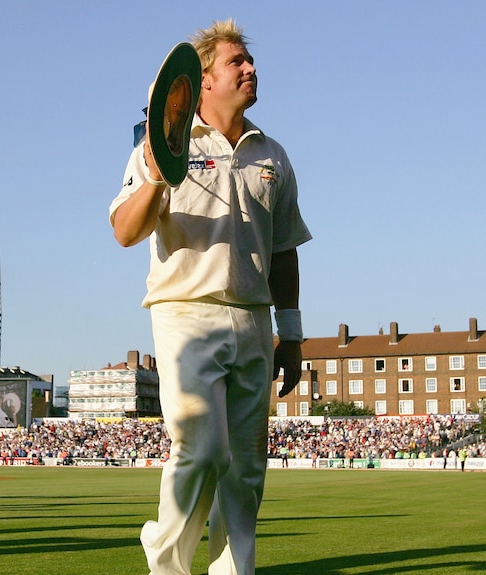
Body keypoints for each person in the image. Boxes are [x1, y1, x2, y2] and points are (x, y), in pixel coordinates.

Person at [109, 19, 312, 575]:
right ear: (200, 83)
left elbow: (285, 251)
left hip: (253, 319)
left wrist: (290, 336)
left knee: (246, 470)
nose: (250, 69)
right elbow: (126, 231)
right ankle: (167, 568)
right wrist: (155, 174)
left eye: (250, 60)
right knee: (200, 452)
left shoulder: (271, 154)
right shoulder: (162, 143)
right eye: (236, 62)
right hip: (186, 315)